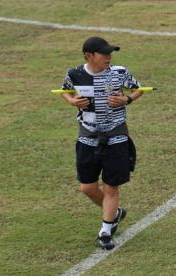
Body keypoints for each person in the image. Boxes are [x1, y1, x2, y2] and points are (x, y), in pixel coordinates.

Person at [60, 36, 143, 250]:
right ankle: (114, 214)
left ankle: (105, 232)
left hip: (116, 137)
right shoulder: (74, 74)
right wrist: (72, 101)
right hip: (87, 137)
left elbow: (139, 88)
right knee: (87, 186)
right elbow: (65, 91)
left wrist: (127, 99)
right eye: (104, 53)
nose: (109, 57)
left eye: (110, 53)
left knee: (111, 186)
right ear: (89, 56)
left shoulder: (119, 72)